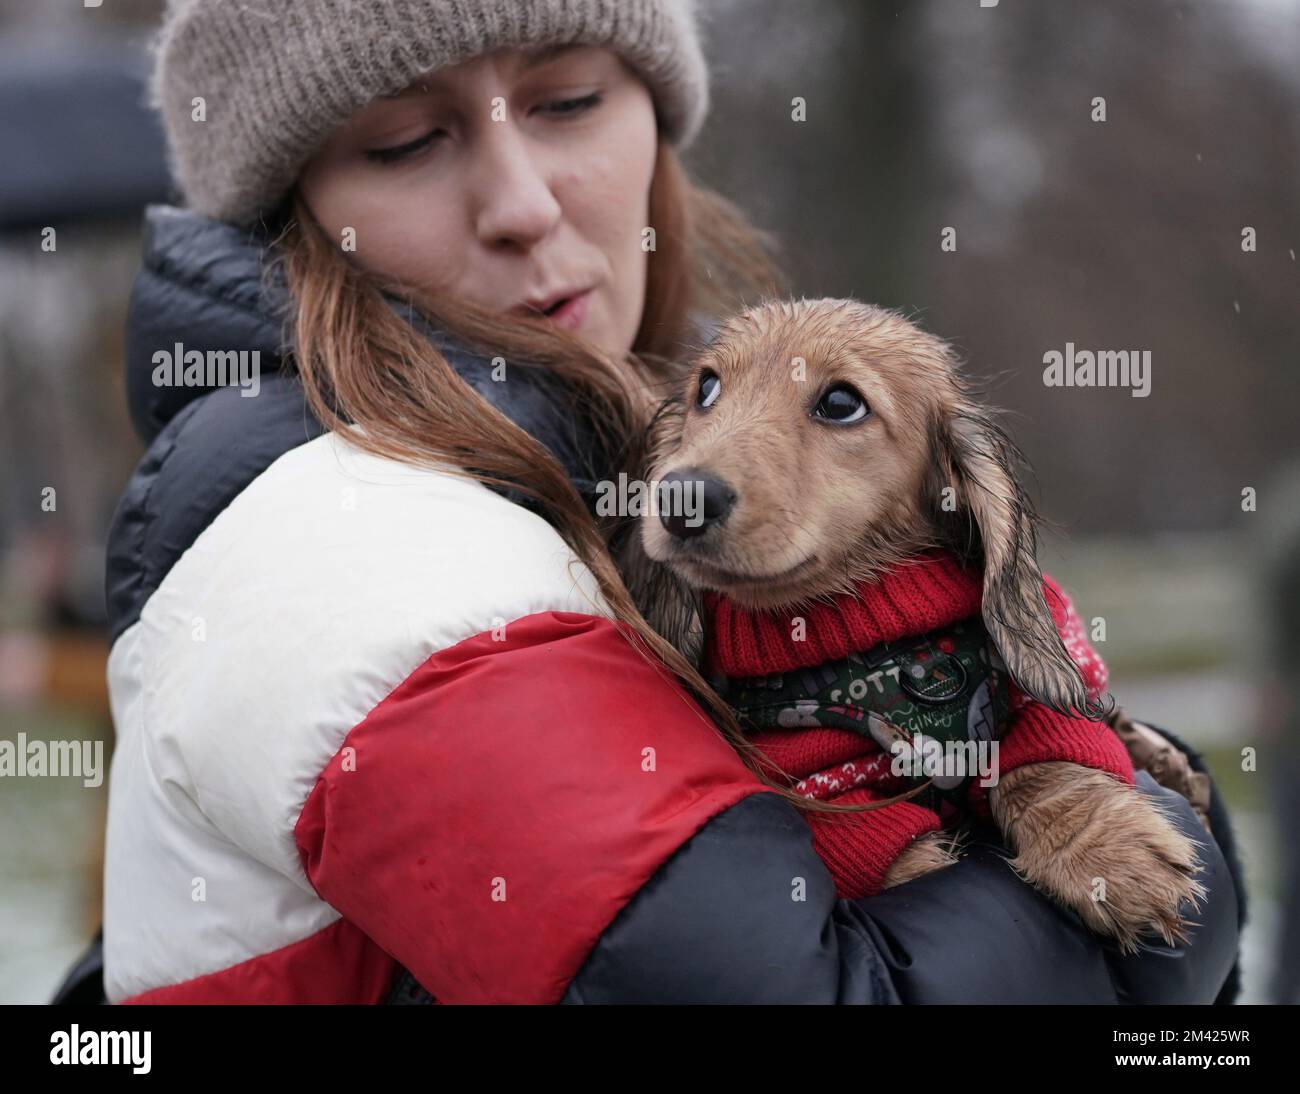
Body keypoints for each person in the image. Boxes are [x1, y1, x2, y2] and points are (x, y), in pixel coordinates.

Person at [76, 0, 1242, 1004]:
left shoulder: (600, 462)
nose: (522, 202)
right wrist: (1184, 859)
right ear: (288, 218)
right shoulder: (337, 532)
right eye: (405, 141)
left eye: (570, 100)